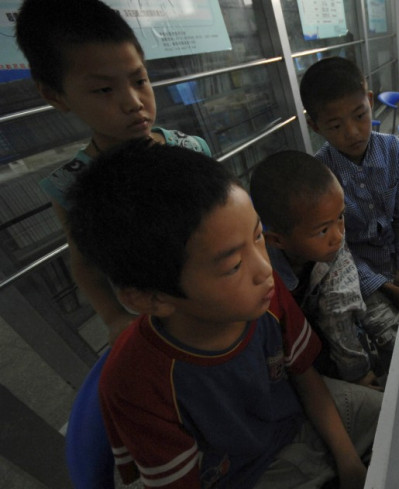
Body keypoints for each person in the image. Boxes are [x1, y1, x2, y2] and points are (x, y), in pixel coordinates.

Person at [66, 139, 382, 489]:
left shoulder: (265, 294)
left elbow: (306, 379)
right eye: (233, 265)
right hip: (244, 475)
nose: (264, 270)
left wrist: (348, 461)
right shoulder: (138, 382)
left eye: (258, 235)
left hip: (302, 422)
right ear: (151, 298)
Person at [15, 0, 211, 344]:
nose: (133, 101)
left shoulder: (190, 150)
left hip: (216, 294)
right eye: (104, 89)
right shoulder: (72, 186)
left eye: (139, 80)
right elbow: (85, 265)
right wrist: (113, 317)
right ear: (55, 95)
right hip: (156, 323)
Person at [299, 56, 399, 364]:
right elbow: (338, 251)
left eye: (360, 116)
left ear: (369, 101)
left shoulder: (392, 149)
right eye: (336, 125)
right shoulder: (320, 175)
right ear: (314, 126)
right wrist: (385, 286)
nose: (353, 132)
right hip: (359, 276)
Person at [250, 150, 384, 387]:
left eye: (340, 217)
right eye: (323, 230)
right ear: (277, 241)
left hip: (334, 333)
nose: (338, 235)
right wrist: (359, 376)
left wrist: (359, 371)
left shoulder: (330, 245)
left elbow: (341, 308)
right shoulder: (264, 278)